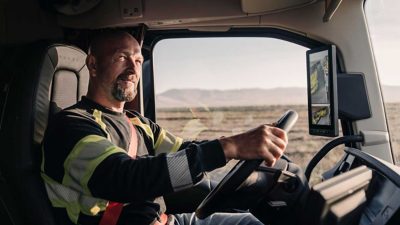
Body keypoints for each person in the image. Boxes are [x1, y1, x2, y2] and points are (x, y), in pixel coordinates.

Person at [40, 30, 288, 225]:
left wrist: (241, 144)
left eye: (138, 60)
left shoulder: (138, 123)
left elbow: (184, 151)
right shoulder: (70, 126)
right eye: (121, 58)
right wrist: (228, 147)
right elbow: (126, 179)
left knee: (259, 221)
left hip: (168, 221)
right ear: (93, 65)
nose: (133, 69)